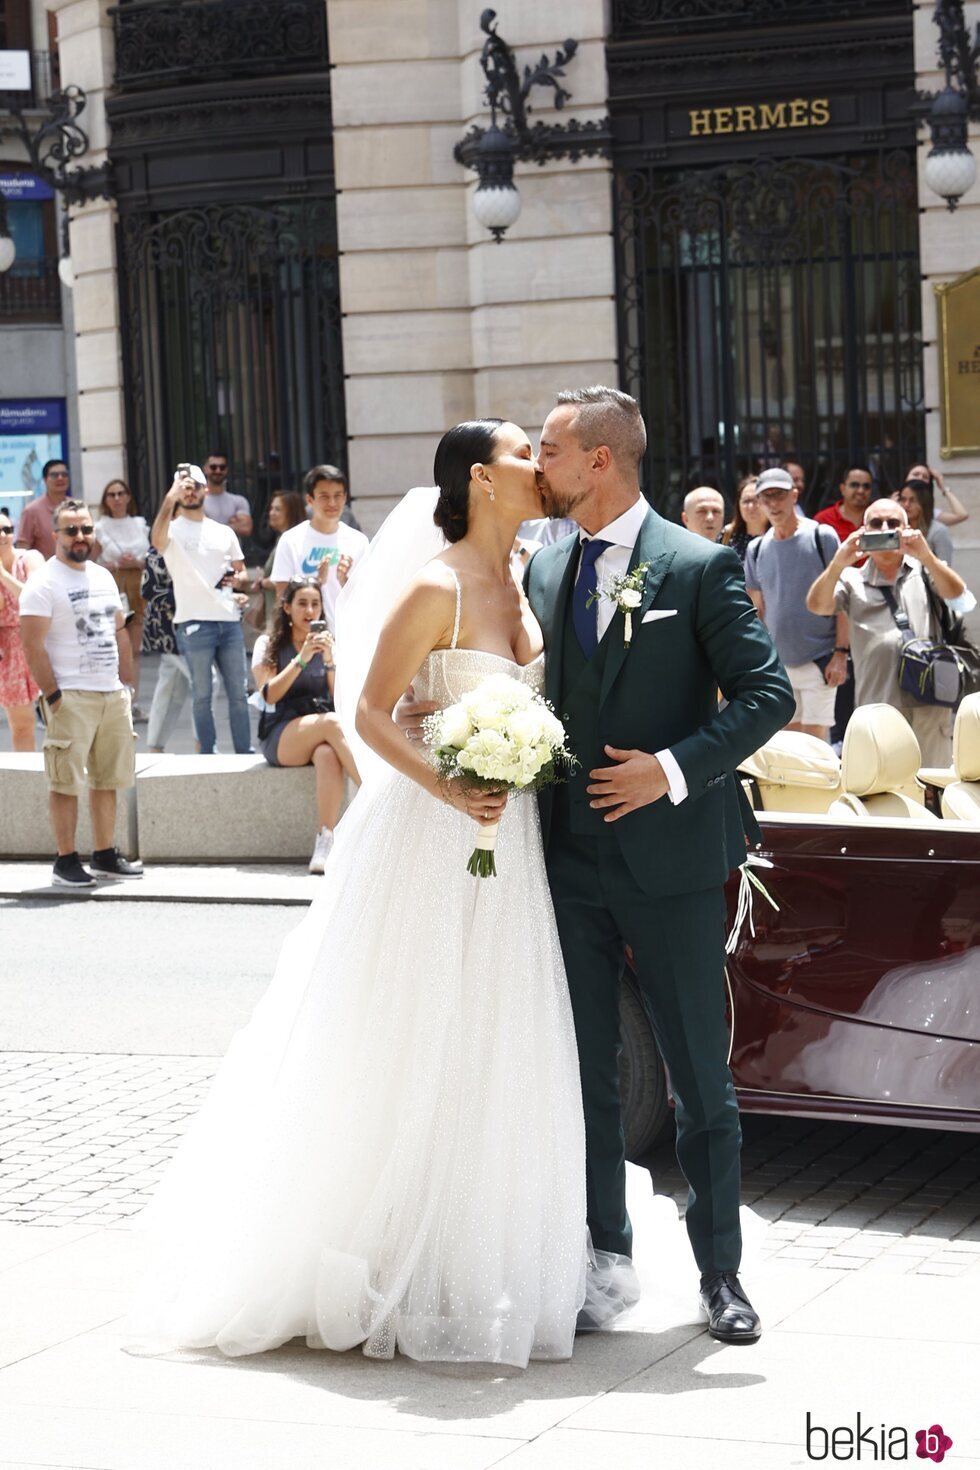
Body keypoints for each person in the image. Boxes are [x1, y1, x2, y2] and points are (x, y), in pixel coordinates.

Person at [129, 421, 589, 1365]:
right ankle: (381, 1257)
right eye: (520, 452)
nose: (538, 465)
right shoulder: (436, 583)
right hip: (431, 832)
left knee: (489, 1038)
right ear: (480, 477)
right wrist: (448, 784)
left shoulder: (529, 578)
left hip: (510, 843)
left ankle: (468, 1259)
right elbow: (371, 714)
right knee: (407, 1034)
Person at [517, 387, 793, 1344]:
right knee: (588, 1073)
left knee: (696, 1078)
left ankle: (722, 1275)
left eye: (547, 449)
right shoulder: (546, 568)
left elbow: (770, 696)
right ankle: (605, 1264)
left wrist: (670, 771)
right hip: (564, 859)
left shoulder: (699, 563)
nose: (534, 465)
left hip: (670, 863)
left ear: (599, 460)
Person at [19, 499, 143, 887]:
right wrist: (53, 696)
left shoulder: (104, 576)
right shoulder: (43, 583)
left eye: (86, 529)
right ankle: (65, 860)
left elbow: (119, 629)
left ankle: (105, 854)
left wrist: (127, 681)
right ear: (55, 535)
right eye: (71, 530)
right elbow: (32, 646)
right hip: (70, 696)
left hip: (110, 695)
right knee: (65, 782)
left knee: (108, 779)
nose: (80, 536)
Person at [805, 498, 967, 766]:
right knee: (888, 796)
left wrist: (926, 555)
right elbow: (817, 606)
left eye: (892, 523)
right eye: (875, 523)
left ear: (907, 528)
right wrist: (838, 563)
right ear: (863, 530)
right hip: (878, 707)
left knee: (933, 790)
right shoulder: (851, 579)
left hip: (930, 705)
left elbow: (960, 599)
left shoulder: (927, 570)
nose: (883, 528)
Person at [252, 576, 360, 874]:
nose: (309, 611)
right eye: (302, 603)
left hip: (321, 726)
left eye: (315, 604)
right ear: (286, 607)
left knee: (327, 754)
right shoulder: (268, 643)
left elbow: (340, 697)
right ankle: (372, 793)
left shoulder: (330, 644)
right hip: (281, 732)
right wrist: (302, 658)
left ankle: (325, 840)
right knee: (332, 725)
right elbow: (269, 694)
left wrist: (328, 660)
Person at [150, 467, 253, 755]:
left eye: (196, 485)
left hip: (228, 620)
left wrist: (239, 583)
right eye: (184, 486)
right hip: (194, 622)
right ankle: (207, 754)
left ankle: (244, 750)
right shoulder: (171, 529)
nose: (190, 490)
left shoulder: (223, 531)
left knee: (238, 693)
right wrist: (169, 499)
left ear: (206, 490)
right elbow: (157, 542)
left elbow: (241, 571)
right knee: (202, 694)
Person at [744, 467, 846, 742]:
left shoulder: (821, 536)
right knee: (790, 746)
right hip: (780, 664)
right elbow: (757, 613)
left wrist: (841, 653)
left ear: (794, 495)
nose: (773, 504)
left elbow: (843, 600)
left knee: (816, 743)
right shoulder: (756, 549)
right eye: (766, 498)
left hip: (820, 658)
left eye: (779, 495)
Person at [271, 465, 369, 631]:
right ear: (310, 499)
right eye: (324, 496)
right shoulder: (291, 540)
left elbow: (366, 596)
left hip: (346, 637)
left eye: (338, 496)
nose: (332, 503)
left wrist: (344, 581)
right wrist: (316, 583)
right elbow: (282, 597)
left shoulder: (358, 541)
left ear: (345, 498)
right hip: (304, 642)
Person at [94, 479, 150, 721]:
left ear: (128, 497)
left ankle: (133, 700)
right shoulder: (99, 527)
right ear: (106, 500)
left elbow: (153, 557)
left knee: (135, 649)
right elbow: (91, 561)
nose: (116, 498)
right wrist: (116, 563)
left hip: (137, 586)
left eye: (121, 493)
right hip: (113, 584)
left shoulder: (140, 524)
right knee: (115, 645)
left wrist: (137, 562)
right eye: (111, 494)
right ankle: (115, 699)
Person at [140, 541, 191, 754]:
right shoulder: (158, 551)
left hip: (200, 625)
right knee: (206, 680)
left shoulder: (206, 543)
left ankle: (154, 746)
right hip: (168, 629)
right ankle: (205, 745)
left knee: (171, 684)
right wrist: (191, 594)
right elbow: (149, 589)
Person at [0, 511, 43, 750]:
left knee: (60, 720)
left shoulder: (29, 558)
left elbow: (33, 597)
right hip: (7, 652)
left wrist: (3, 575)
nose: (4, 535)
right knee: (22, 725)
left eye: (7, 529)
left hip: (37, 640)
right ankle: (26, 782)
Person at [252, 490, 305, 627]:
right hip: (276, 613)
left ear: (291, 512)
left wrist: (262, 583)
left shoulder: (294, 542)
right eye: (271, 508)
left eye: (278, 509)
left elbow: (286, 579)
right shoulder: (282, 539)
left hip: (287, 618)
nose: (272, 513)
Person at [15, 459, 71, 560]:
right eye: (54, 475)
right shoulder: (31, 511)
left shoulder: (76, 507)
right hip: (44, 573)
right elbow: (22, 550)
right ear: (45, 480)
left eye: (64, 474)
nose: (60, 478)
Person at [896, 478, 955, 564]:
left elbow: (946, 567)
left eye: (912, 500)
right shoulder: (897, 529)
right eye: (903, 499)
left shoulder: (938, 531)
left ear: (923, 502)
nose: (906, 505)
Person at [814, 465, 873, 542]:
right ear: (842, 489)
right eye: (854, 485)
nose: (860, 491)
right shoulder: (823, 519)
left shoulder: (880, 519)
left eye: (866, 486)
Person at [201, 452, 253, 538]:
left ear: (226, 469)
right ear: (205, 469)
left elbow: (246, 528)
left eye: (222, 467)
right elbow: (198, 529)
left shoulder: (239, 501)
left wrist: (210, 526)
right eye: (213, 467)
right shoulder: (198, 501)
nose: (218, 470)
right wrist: (232, 524)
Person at [905, 463, 969, 530]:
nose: (920, 478)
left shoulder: (930, 513)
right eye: (916, 474)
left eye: (925, 477)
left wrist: (943, 488)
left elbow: (962, 515)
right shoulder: (894, 503)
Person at [720, 475, 768, 563]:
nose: (751, 507)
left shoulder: (778, 536)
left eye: (756, 500)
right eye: (746, 501)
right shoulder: (728, 535)